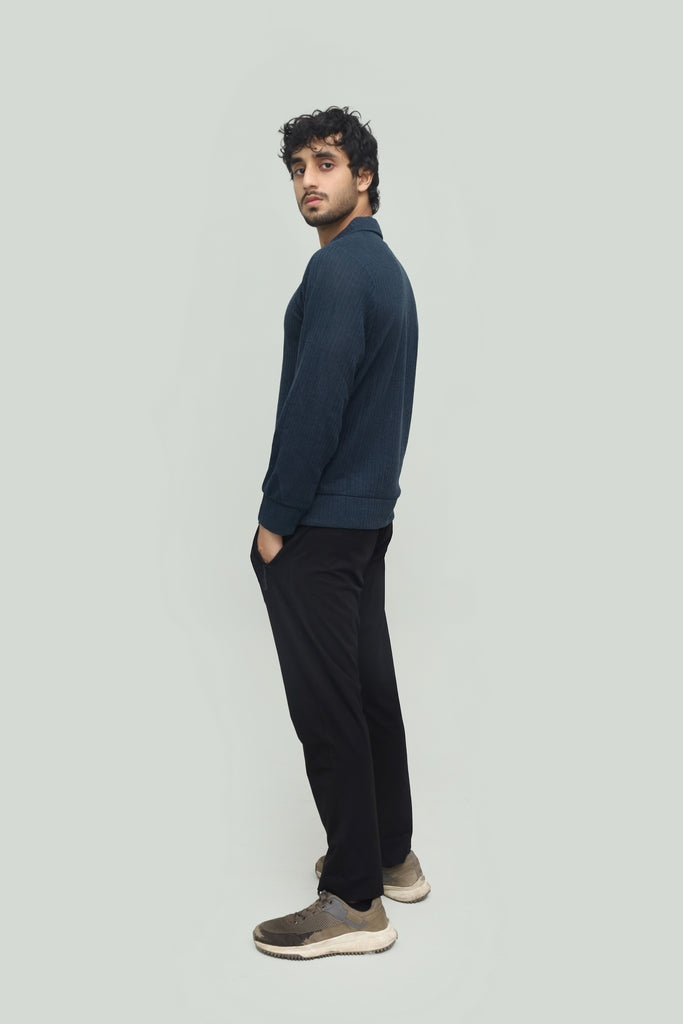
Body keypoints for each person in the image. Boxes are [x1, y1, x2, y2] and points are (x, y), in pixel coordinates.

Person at [250, 106, 429, 960]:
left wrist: (273, 522)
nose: (307, 181)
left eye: (325, 163)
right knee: (366, 693)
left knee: (328, 711)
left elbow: (315, 407)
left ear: (364, 175)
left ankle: (355, 900)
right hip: (366, 518)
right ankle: (390, 855)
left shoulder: (338, 272)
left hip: (319, 526)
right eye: (296, 168)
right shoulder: (384, 267)